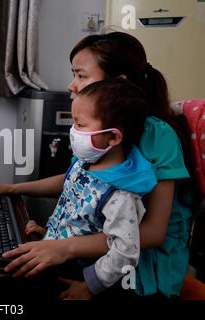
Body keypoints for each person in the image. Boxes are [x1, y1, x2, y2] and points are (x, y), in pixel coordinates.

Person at [0, 32, 195, 299]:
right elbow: (79, 181)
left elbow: (154, 232)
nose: (71, 85)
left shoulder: (158, 135)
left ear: (116, 85)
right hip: (93, 250)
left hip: (136, 271)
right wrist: (11, 189)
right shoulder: (96, 134)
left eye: (81, 75)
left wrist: (65, 247)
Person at [38, 78, 157, 299]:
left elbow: (125, 253)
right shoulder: (84, 164)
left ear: (113, 136)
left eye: (81, 125)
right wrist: (51, 234)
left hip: (82, 277)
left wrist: (89, 287)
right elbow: (76, 214)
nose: (73, 131)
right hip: (58, 255)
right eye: (74, 123)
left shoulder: (120, 194)